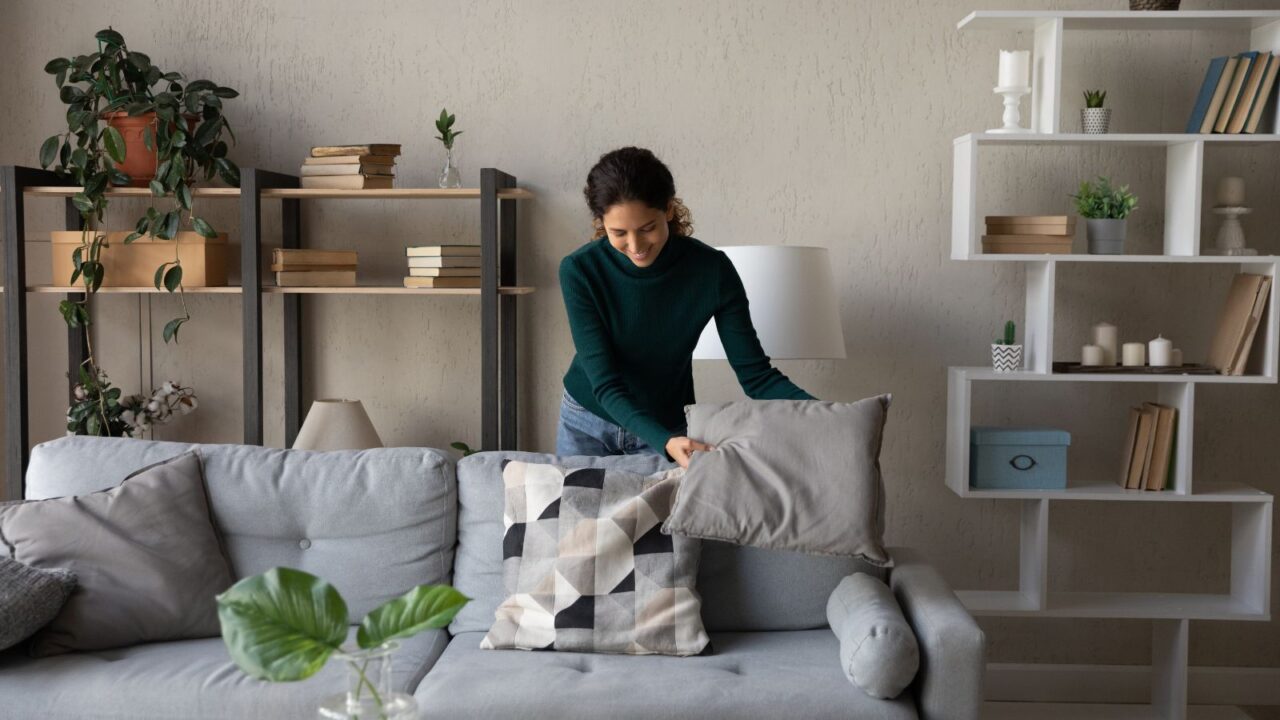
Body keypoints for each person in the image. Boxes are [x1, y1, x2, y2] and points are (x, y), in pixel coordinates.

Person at [557, 146, 815, 468]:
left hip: (667, 427)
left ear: (668, 209)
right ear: (601, 223)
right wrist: (664, 441)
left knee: (664, 520)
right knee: (575, 520)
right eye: (618, 233)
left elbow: (757, 376)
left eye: (647, 228)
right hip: (587, 421)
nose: (635, 246)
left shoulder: (712, 271)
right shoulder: (580, 271)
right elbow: (607, 385)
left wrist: (829, 414)